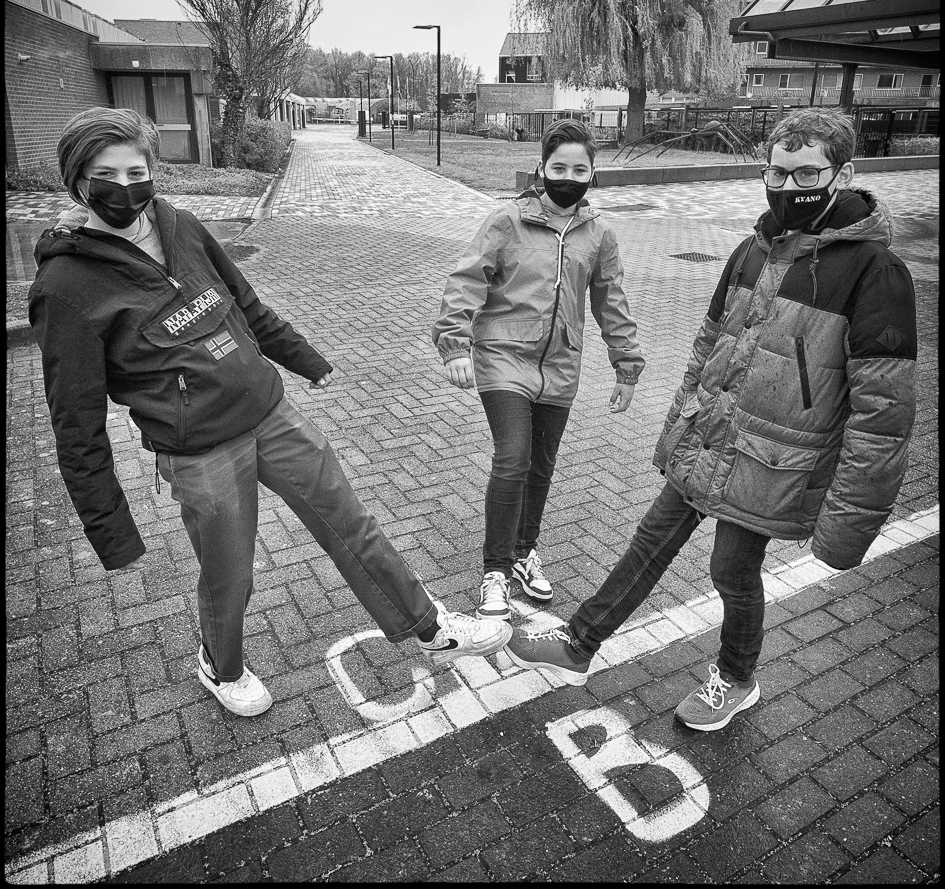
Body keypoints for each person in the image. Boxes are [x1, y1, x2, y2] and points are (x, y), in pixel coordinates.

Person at [29, 107, 512, 719]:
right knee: (230, 575)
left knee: (349, 522)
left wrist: (306, 360)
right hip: (200, 450)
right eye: (107, 174)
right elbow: (76, 424)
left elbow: (244, 304)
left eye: (138, 170)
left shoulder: (180, 226)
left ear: (154, 171)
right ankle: (221, 666)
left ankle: (426, 623)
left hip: (269, 414)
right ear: (78, 182)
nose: (127, 187)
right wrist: (111, 531)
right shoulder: (66, 287)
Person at [504, 107, 917, 731]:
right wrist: (681, 428)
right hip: (714, 436)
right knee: (651, 540)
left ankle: (737, 676)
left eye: (806, 174)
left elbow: (883, 413)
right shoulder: (754, 250)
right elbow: (706, 347)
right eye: (776, 172)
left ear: (843, 173)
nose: (788, 188)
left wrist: (848, 526)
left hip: (774, 460)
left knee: (730, 568)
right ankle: (580, 643)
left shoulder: (875, 272)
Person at [432, 119, 645, 620]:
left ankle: (526, 551)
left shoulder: (599, 234)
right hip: (504, 357)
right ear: (541, 169)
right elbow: (466, 280)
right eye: (558, 167)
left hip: (561, 366)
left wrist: (626, 366)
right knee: (513, 459)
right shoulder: (507, 221)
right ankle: (496, 571)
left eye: (579, 168)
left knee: (541, 468)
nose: (568, 176)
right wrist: (455, 345)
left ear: (593, 175)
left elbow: (611, 300)